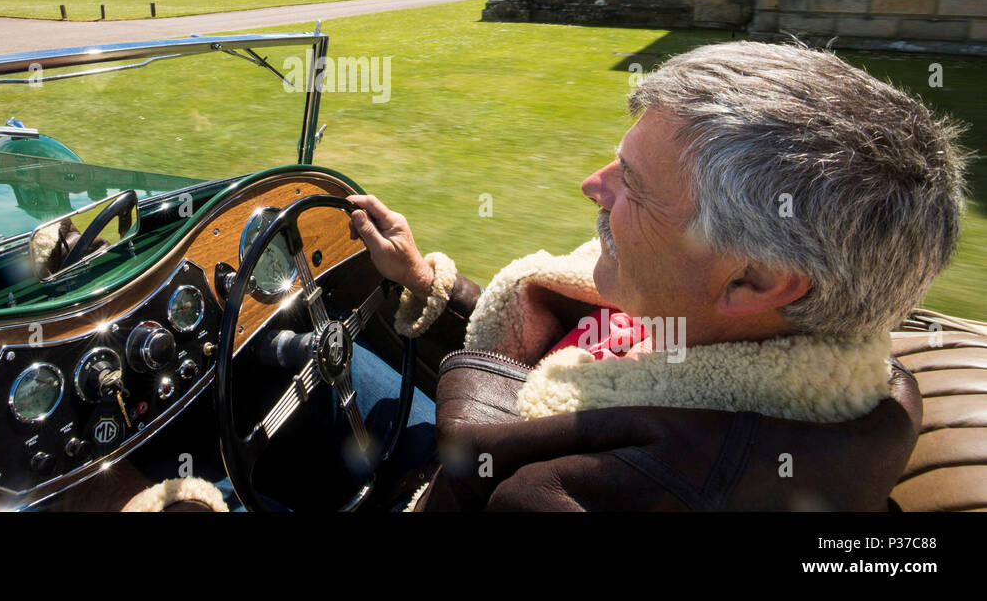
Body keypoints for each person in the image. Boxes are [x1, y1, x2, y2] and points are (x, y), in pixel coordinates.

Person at [122, 40, 966, 511]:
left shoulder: (607, 494)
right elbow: (548, 349)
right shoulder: (754, 332)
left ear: (754, 282)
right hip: (458, 437)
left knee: (184, 439)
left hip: (437, 486)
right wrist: (426, 283)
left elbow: (490, 454)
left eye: (631, 186)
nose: (591, 188)